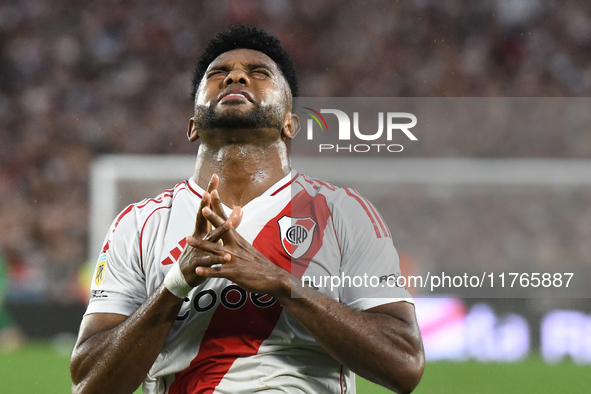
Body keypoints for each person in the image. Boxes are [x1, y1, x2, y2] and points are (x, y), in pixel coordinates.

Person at [70, 25, 424, 394]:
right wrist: (175, 285)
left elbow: (404, 365)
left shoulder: (345, 214)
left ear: (290, 123)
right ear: (192, 127)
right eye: (217, 74)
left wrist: (281, 283)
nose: (236, 76)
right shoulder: (140, 224)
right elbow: (89, 384)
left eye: (259, 73)